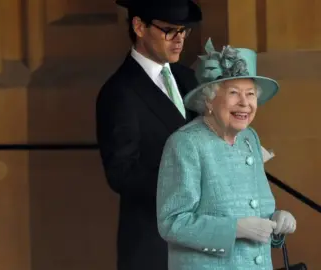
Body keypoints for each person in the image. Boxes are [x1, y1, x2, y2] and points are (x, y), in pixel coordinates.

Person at [156, 38, 297, 269]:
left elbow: (256, 213)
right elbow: (172, 223)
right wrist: (236, 229)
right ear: (209, 99)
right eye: (234, 93)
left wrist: (277, 221)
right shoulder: (185, 143)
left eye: (251, 94)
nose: (245, 103)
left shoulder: (249, 138)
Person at [95, 0, 202, 269]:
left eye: (184, 31)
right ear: (139, 26)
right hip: (154, 243)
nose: (179, 40)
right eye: (169, 30)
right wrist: (189, 186)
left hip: (201, 239)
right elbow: (122, 173)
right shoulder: (119, 91)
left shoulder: (188, 78)